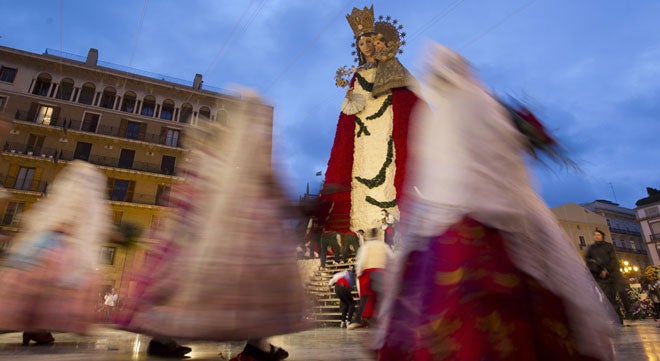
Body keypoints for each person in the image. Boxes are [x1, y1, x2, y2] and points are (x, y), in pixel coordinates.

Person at [374, 44, 614, 360]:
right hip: (502, 223)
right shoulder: (487, 106)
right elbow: (508, 169)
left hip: (451, 231)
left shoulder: (434, 116)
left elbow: (426, 179)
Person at [120, 91, 310, 361]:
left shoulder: (209, 155)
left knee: (182, 285)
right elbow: (265, 178)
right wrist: (291, 209)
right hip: (242, 229)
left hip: (199, 230)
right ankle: (258, 346)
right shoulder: (245, 145)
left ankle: (163, 338)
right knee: (257, 287)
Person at [318, 5, 422, 242]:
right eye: (361, 43)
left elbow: (408, 94)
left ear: (376, 42)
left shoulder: (392, 68)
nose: (365, 46)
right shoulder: (357, 74)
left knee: (387, 171)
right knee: (363, 177)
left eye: (368, 41)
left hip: (386, 128)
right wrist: (350, 99)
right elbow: (352, 108)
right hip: (363, 134)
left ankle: (391, 227)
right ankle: (363, 231)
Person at [0, 161, 111, 342]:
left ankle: (32, 328)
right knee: (52, 291)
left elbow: (43, 217)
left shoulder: (59, 199)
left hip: (41, 245)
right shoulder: (84, 200)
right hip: (61, 250)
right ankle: (36, 329)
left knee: (35, 291)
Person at [348, 228, 392, 330]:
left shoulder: (366, 246)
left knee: (365, 297)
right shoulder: (383, 246)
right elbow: (391, 258)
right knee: (381, 297)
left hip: (369, 274)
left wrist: (359, 273)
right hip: (381, 273)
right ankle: (384, 321)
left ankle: (359, 320)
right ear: (378, 235)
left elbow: (361, 260)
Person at [585, 229, 632, 324]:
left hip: (614, 274)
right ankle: (618, 317)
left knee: (622, 291)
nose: (597, 236)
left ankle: (629, 310)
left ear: (602, 236)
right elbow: (588, 261)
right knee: (610, 297)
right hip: (601, 277)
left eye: (599, 234)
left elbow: (613, 260)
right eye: (595, 235)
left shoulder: (608, 246)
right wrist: (599, 270)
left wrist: (606, 269)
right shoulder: (591, 248)